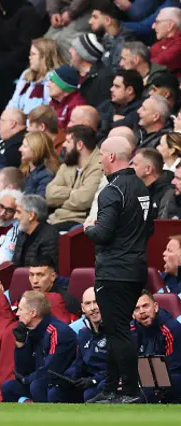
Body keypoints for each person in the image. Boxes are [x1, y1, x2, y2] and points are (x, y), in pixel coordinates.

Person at [83, 136, 154, 404]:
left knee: (118, 329)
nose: (100, 159)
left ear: (111, 157)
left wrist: (88, 227)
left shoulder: (112, 191)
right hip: (135, 268)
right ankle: (112, 389)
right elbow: (150, 228)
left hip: (114, 271)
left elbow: (102, 233)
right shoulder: (142, 187)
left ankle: (131, 391)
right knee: (116, 328)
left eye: (101, 154)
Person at [1, 290, 77, 403]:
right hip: (38, 380)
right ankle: (28, 407)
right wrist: (20, 345)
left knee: (37, 385)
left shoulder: (57, 332)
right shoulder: (31, 331)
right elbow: (22, 370)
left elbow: (51, 369)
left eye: (20, 310)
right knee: (8, 387)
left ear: (33, 313)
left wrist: (26, 380)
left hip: (61, 383)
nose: (17, 314)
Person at [47, 287, 108, 403]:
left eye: (96, 302)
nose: (93, 308)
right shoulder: (83, 333)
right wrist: (67, 377)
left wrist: (93, 380)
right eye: (88, 304)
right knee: (55, 392)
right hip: (88, 382)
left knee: (90, 393)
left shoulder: (115, 332)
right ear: (83, 308)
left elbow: (117, 367)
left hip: (106, 382)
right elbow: (79, 364)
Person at [46, 126, 103, 231]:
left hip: (79, 222)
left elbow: (84, 200)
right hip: (56, 218)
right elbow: (49, 194)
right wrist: (73, 193)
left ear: (79, 145)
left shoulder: (99, 166)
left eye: (68, 141)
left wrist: (60, 199)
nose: (63, 145)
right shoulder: (68, 164)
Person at [131, 290, 181, 403]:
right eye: (137, 308)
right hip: (143, 379)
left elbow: (174, 368)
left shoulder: (171, 329)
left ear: (156, 307)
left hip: (172, 378)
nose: (142, 312)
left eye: (145, 306)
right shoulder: (130, 330)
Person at [6, 38, 65, 115]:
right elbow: (14, 102)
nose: (29, 57)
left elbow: (50, 107)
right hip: (18, 121)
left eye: (33, 54)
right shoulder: (26, 74)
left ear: (45, 57)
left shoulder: (53, 78)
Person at [12, 194, 60, 268]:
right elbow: (15, 265)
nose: (15, 216)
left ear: (31, 216)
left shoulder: (50, 237)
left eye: (18, 212)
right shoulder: (22, 235)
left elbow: (45, 272)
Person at [88, 0, 134, 71]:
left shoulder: (124, 45)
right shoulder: (105, 38)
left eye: (95, 17)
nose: (90, 21)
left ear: (107, 21)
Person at [70, 33, 113, 108]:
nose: (69, 50)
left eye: (73, 48)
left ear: (82, 54)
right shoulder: (72, 74)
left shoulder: (103, 79)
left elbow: (103, 110)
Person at [97, 69, 144, 136]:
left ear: (130, 90)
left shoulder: (141, 108)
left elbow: (123, 125)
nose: (111, 89)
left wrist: (104, 121)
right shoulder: (108, 104)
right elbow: (92, 116)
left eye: (117, 86)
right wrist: (112, 117)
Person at [132, 148, 175, 219]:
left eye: (135, 164)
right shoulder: (135, 189)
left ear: (148, 169)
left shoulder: (167, 194)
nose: (131, 167)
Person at [19, 131, 60, 197]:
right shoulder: (24, 170)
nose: (20, 149)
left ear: (36, 149)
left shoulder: (47, 175)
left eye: (25, 146)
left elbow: (38, 203)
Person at [47, 65, 87, 130]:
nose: (47, 85)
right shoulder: (54, 102)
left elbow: (73, 135)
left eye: (52, 81)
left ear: (64, 87)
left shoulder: (76, 106)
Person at [150, 7, 181, 78]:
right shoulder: (163, 41)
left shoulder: (179, 44)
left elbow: (159, 62)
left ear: (170, 25)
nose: (153, 26)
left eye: (157, 22)